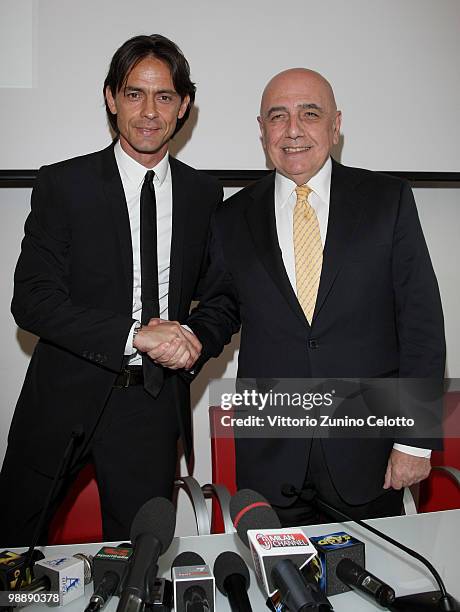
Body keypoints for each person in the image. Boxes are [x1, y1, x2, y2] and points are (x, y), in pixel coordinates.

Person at [179, 68, 446, 525]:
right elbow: (222, 309)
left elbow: (422, 324)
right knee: (277, 591)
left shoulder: (388, 200)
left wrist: (414, 440)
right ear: (261, 130)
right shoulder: (231, 216)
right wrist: (187, 340)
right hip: (270, 456)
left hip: (369, 453)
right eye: (278, 117)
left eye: (310, 113)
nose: (293, 130)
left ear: (336, 124)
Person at [0, 34, 222, 545]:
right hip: (61, 398)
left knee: (137, 567)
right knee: (12, 555)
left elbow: (222, 296)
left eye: (164, 96)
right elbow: (31, 299)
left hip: (150, 407)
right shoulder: (63, 185)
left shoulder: (204, 195)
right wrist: (133, 334)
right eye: (133, 94)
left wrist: (193, 337)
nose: (149, 112)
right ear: (110, 98)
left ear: (183, 105)